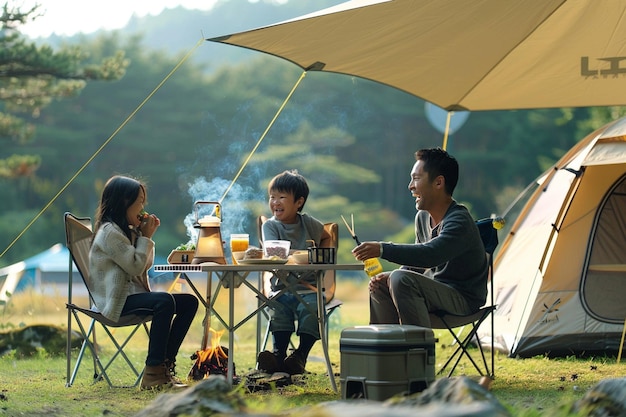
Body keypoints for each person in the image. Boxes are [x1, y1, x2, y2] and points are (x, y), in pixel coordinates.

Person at [351, 148, 488, 327]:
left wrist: (382, 249)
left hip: (462, 299)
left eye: (416, 179)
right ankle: (384, 350)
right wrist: (389, 277)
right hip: (433, 291)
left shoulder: (459, 220)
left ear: (438, 183)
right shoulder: (422, 217)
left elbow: (431, 255)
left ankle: (416, 349)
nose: (410, 186)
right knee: (381, 284)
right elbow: (416, 265)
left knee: (400, 278)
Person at [89, 175, 199, 390]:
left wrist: (144, 235)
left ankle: (165, 367)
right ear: (123, 202)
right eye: (139, 201)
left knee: (189, 302)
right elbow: (136, 266)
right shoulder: (110, 233)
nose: (143, 206)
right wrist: (145, 237)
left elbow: (144, 265)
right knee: (164, 301)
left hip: (129, 297)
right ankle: (153, 373)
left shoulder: (126, 231)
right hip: (114, 303)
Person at [257, 169, 332, 375]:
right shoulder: (271, 226)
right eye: (272, 197)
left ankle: (300, 356)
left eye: (282, 197)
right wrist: (301, 253)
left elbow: (326, 236)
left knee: (312, 311)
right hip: (280, 288)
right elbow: (273, 251)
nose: (275, 202)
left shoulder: (308, 223)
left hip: (308, 288)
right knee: (278, 310)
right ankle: (278, 355)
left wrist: (321, 253)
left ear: (298, 202)